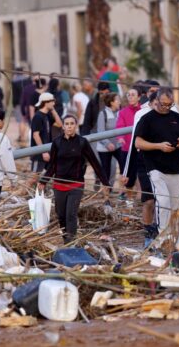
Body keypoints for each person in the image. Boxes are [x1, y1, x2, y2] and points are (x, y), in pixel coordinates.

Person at [38, 115, 110, 244]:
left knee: (71, 214)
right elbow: (52, 165)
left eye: (72, 123)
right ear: (63, 126)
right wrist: (43, 181)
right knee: (61, 215)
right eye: (67, 123)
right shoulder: (57, 142)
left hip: (76, 185)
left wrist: (105, 182)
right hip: (59, 184)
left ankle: (71, 242)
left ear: (76, 126)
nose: (69, 126)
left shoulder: (82, 142)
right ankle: (66, 238)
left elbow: (95, 163)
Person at [135, 87, 179, 245]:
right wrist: (159, 146)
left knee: (174, 205)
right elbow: (138, 143)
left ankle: (176, 240)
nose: (166, 108)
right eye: (163, 104)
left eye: (169, 105)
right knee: (163, 202)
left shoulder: (176, 117)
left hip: (175, 167)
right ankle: (162, 238)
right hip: (155, 167)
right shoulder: (147, 119)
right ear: (156, 101)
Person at [122, 92, 159, 247]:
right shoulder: (142, 115)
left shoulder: (172, 114)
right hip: (144, 162)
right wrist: (127, 173)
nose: (161, 106)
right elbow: (134, 144)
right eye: (157, 103)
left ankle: (162, 231)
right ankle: (148, 233)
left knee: (162, 200)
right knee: (148, 199)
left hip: (164, 164)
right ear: (150, 103)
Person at [116, 87, 141, 192]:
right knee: (127, 178)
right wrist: (120, 137)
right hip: (127, 149)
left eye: (133, 94)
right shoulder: (123, 112)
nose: (130, 97)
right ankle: (128, 202)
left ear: (139, 97)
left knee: (141, 175)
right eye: (128, 95)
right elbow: (120, 126)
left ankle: (141, 200)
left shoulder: (143, 111)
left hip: (142, 148)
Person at [30, 92, 63, 174]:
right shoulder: (38, 116)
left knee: (46, 176)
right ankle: (24, 187)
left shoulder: (47, 115)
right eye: (52, 101)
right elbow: (36, 135)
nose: (54, 103)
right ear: (46, 102)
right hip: (39, 153)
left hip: (47, 151)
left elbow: (59, 124)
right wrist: (43, 152)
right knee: (34, 177)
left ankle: (38, 187)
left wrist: (53, 110)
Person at [96, 93, 125, 186]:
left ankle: (123, 191)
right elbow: (100, 132)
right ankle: (106, 195)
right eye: (117, 100)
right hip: (104, 148)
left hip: (118, 145)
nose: (119, 102)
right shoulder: (103, 113)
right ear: (111, 102)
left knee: (124, 166)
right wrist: (107, 144)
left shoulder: (120, 112)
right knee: (106, 172)